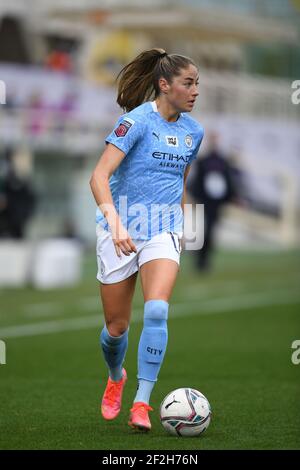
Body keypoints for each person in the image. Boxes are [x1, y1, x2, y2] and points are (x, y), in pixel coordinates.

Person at [90, 48, 204, 432]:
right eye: (188, 83)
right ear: (164, 84)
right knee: (116, 328)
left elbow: (180, 180)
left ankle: (142, 403)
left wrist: (184, 224)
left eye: (197, 84)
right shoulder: (133, 123)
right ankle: (116, 376)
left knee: (157, 311)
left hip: (163, 229)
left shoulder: (194, 131)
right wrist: (116, 223)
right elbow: (98, 177)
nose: (195, 91)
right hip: (119, 229)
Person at [188, 132, 236, 271]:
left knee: (211, 230)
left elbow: (228, 180)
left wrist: (231, 196)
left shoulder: (223, 160)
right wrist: (195, 196)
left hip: (216, 202)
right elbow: (197, 180)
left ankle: (204, 259)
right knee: (202, 230)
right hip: (204, 200)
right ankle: (200, 259)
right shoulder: (203, 160)